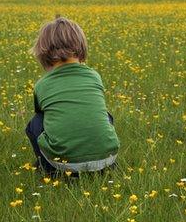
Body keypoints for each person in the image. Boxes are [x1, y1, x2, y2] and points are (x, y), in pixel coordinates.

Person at [25, 16, 119, 174]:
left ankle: (47, 168)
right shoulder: (94, 76)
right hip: (108, 157)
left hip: (64, 164)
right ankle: (104, 166)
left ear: (43, 52)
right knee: (106, 116)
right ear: (81, 47)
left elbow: (41, 114)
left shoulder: (42, 84)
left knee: (35, 123)